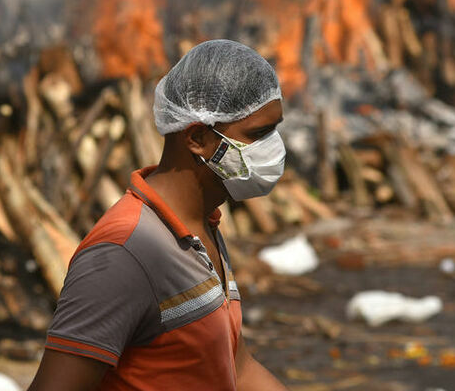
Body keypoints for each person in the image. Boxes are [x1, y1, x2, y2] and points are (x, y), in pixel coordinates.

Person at [28, 39, 289, 390]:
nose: (273, 148)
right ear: (197, 138)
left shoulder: (202, 224)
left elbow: (237, 368)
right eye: (258, 134)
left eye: (274, 130)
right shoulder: (125, 252)